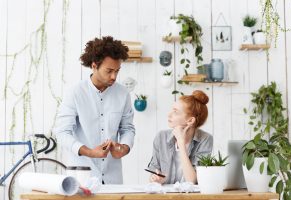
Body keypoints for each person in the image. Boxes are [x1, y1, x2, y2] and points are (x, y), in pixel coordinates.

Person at [54, 36, 135, 184]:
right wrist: (90, 152)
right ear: (94, 66)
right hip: (82, 176)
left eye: (117, 71)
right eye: (109, 71)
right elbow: (62, 132)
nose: (114, 76)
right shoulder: (75, 93)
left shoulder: (123, 94)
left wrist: (124, 147)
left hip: (113, 178)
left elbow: (127, 128)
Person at [147, 90, 213, 184]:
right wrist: (156, 178)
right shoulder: (161, 137)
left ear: (190, 121)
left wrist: (181, 142)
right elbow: (152, 172)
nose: (169, 115)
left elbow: (192, 180)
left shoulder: (205, 139)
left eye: (176, 112)